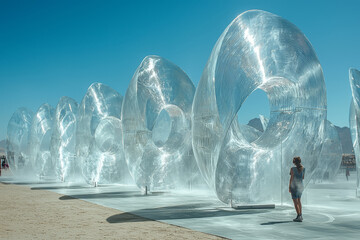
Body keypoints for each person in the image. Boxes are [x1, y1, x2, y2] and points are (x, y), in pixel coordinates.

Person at [289, 156, 305, 222]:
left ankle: (298, 216)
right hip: (301, 186)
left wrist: (289, 186)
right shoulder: (303, 169)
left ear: (294, 162)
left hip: (294, 186)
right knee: (299, 201)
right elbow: (303, 178)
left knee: (295, 202)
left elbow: (291, 178)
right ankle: (300, 215)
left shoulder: (292, 169)